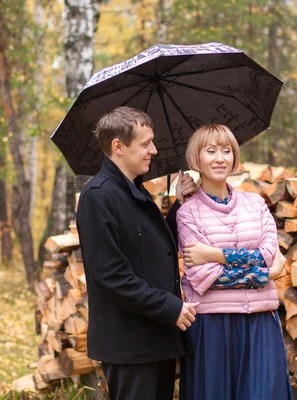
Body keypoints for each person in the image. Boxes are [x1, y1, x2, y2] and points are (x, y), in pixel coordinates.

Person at [76, 106, 199, 400]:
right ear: (118, 146)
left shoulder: (137, 192)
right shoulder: (99, 196)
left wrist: (180, 204)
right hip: (130, 344)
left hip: (157, 337)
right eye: (145, 144)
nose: (154, 150)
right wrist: (170, 307)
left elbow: (158, 248)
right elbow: (110, 275)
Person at [176, 124, 293, 400]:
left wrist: (217, 254)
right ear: (197, 159)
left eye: (226, 151)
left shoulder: (256, 203)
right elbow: (204, 277)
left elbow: (267, 254)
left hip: (260, 321)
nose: (220, 158)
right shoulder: (187, 213)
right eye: (211, 151)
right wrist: (266, 276)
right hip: (213, 327)